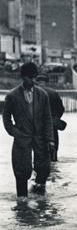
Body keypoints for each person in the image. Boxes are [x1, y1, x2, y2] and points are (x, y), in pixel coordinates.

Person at [2, 62, 55, 197]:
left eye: (34, 78)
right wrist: (14, 132)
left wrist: (50, 140)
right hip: (21, 139)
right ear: (22, 77)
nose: (32, 81)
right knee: (21, 171)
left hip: (40, 138)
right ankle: (22, 204)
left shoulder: (42, 95)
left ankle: (40, 200)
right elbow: (6, 119)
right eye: (29, 78)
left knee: (44, 169)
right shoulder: (12, 96)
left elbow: (47, 119)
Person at [35, 74, 65, 162]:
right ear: (46, 82)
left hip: (37, 126)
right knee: (53, 149)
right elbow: (61, 109)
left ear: (37, 82)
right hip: (52, 125)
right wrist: (55, 118)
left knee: (38, 152)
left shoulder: (33, 93)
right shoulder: (54, 93)